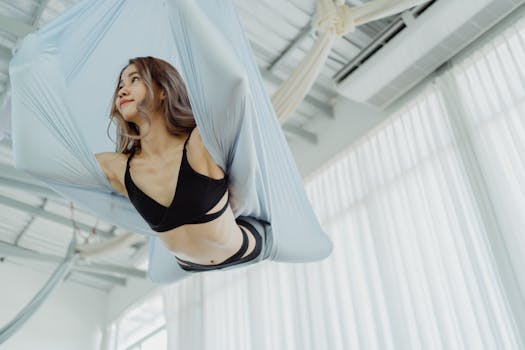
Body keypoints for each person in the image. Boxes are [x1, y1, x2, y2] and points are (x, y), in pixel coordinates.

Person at [96, 56, 268, 272]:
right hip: (186, 265)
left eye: (134, 80)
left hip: (245, 247)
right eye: (120, 85)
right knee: (159, 274)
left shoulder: (201, 142)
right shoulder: (119, 168)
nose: (121, 91)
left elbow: (238, 85)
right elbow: (58, 166)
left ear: (163, 91)